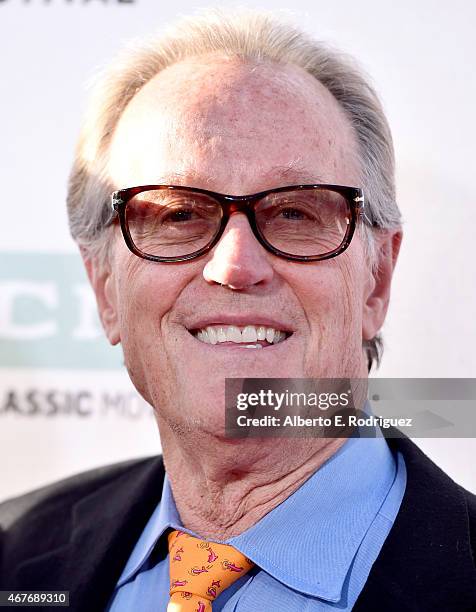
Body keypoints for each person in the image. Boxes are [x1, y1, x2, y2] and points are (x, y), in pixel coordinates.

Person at [1, 9, 475, 612]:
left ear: (376, 279)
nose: (235, 266)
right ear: (103, 287)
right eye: (177, 215)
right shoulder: (16, 554)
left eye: (296, 213)